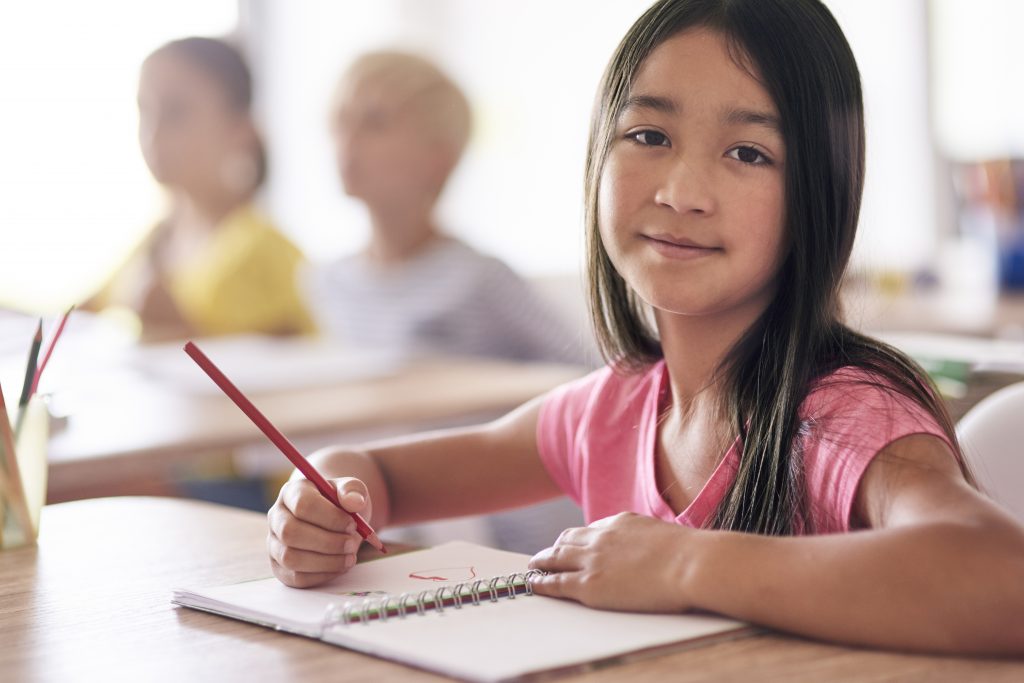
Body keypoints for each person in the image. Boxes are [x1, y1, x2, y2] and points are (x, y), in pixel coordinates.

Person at [266, 0, 1024, 656]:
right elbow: (379, 475)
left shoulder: (842, 417)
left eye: (748, 152)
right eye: (650, 136)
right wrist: (325, 498)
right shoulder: (612, 411)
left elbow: (1001, 579)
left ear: (819, 196)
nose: (682, 190)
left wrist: (685, 563)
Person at [303, 51, 589, 365]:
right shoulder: (327, 283)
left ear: (440, 156)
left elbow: (583, 373)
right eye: (341, 121)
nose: (347, 142)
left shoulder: (480, 280)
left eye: (375, 123)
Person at [87, 37, 314, 342]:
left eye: (176, 112)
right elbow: (73, 315)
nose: (153, 133)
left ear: (239, 128)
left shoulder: (269, 251)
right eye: (145, 111)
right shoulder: (156, 239)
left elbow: (303, 362)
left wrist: (186, 330)